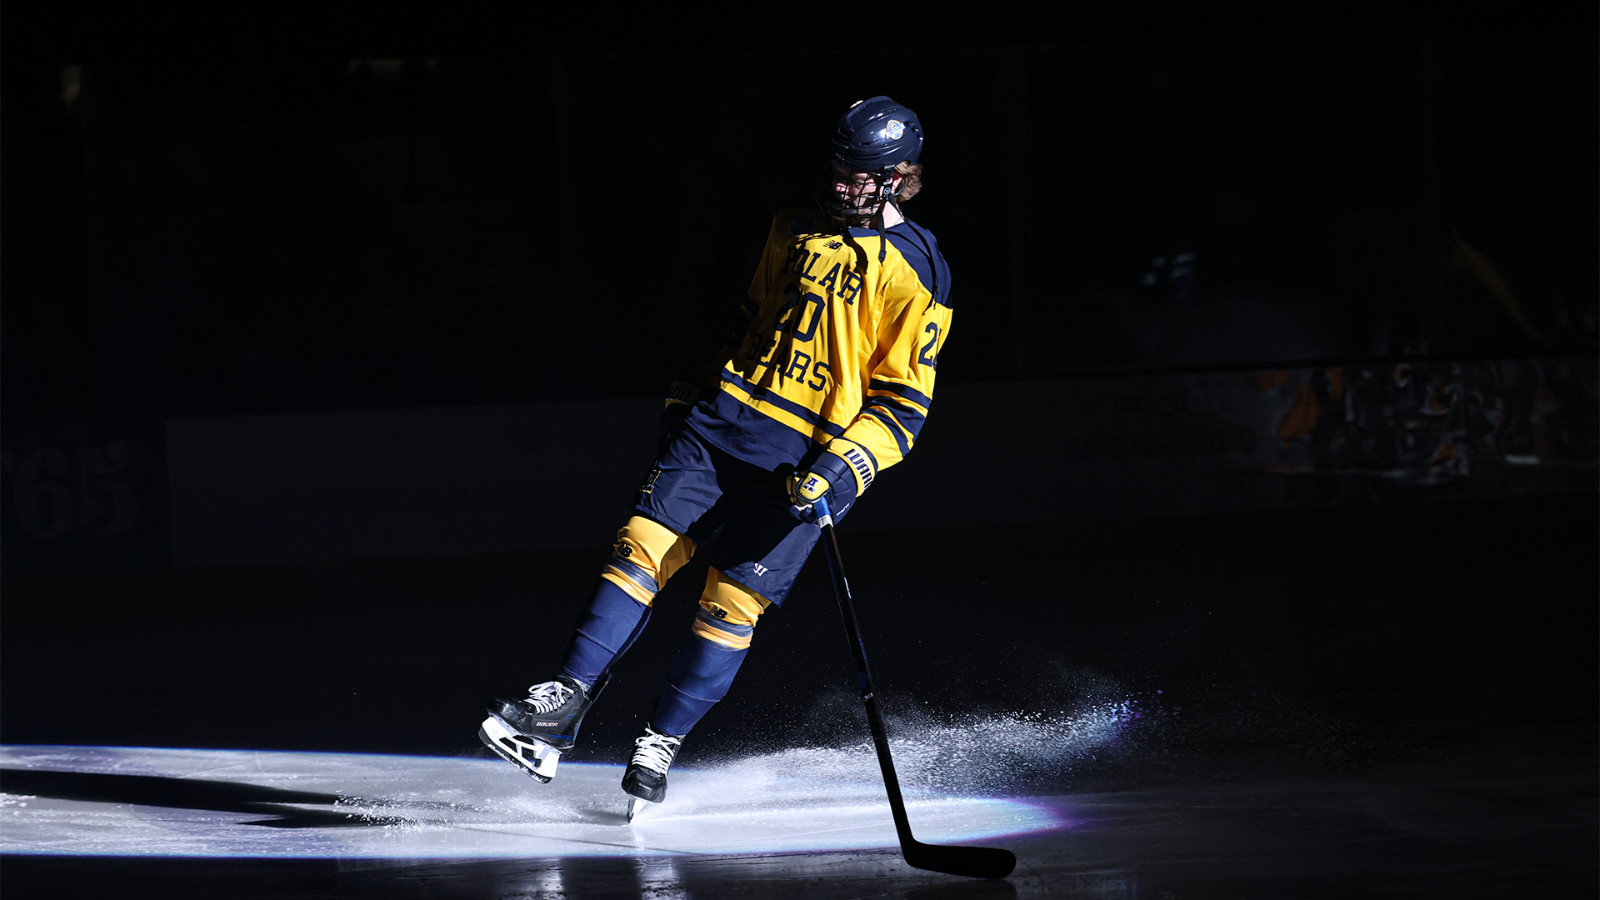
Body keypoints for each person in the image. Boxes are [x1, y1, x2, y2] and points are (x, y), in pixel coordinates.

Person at [478, 96, 952, 814]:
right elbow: (748, 319)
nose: (844, 185)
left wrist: (843, 465)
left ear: (899, 177)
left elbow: (903, 406)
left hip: (805, 459)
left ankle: (659, 742)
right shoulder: (790, 227)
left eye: (861, 176)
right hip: (724, 423)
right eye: (839, 169)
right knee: (638, 548)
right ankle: (560, 709)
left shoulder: (921, 270)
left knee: (729, 606)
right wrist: (691, 392)